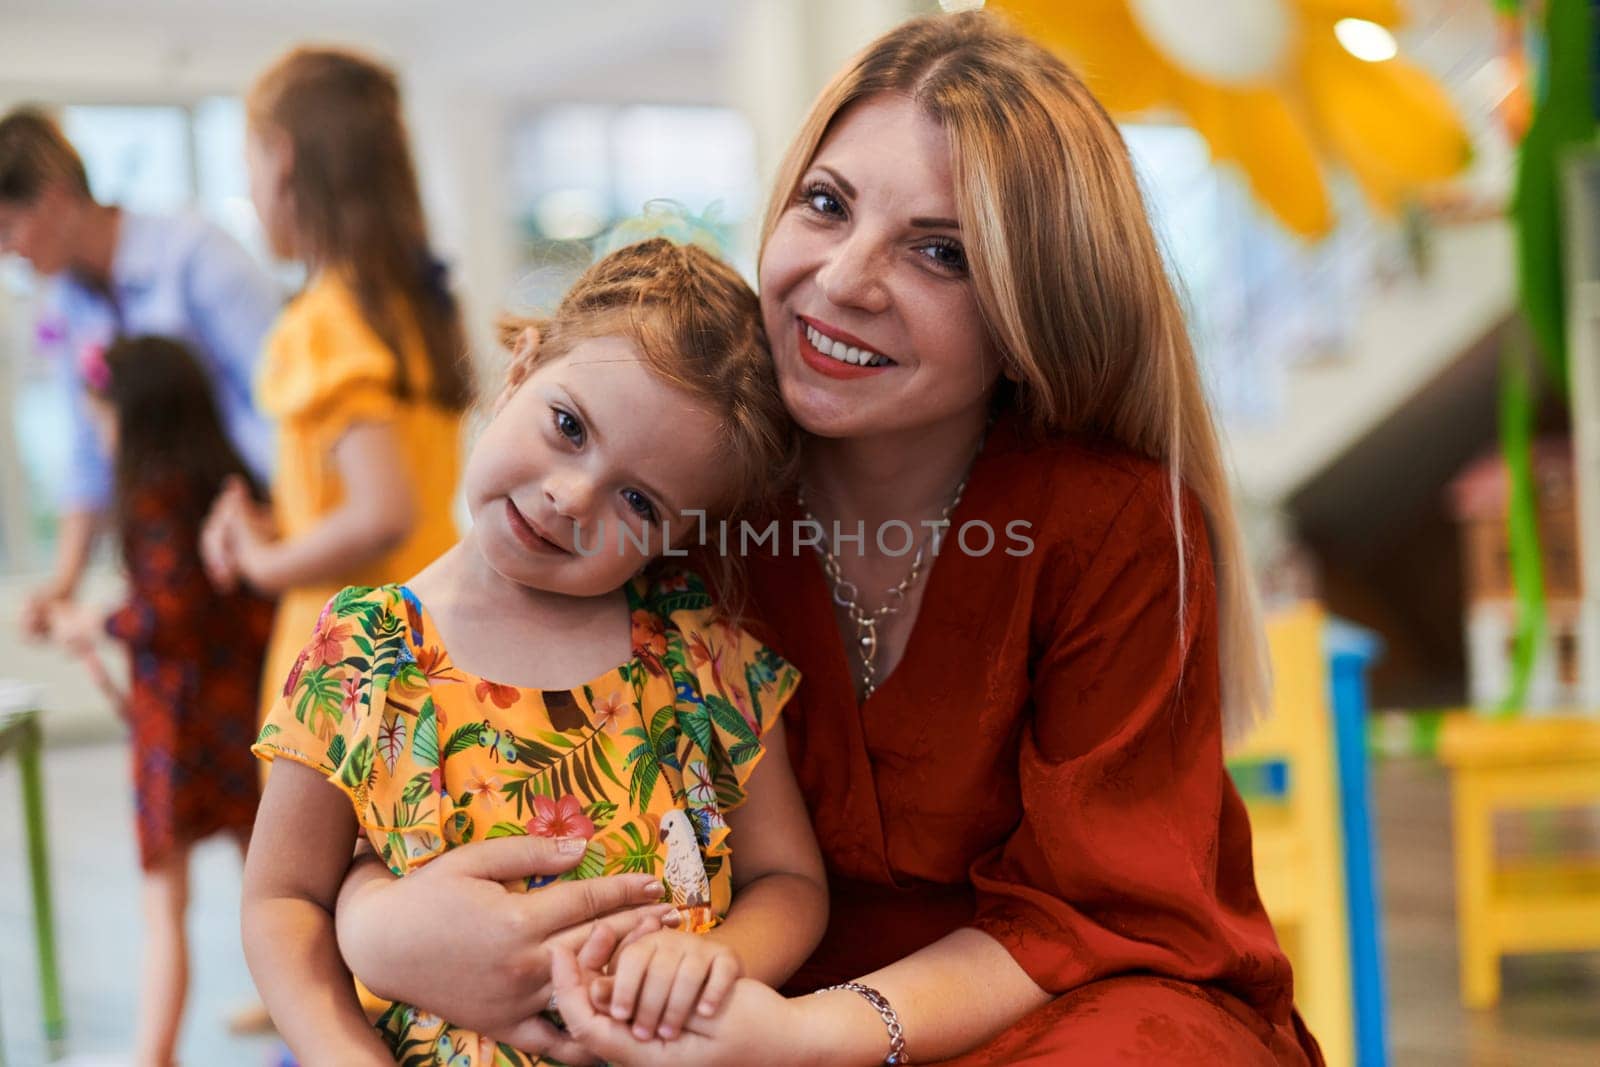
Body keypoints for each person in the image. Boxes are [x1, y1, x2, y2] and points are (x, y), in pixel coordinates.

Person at [333, 11, 1324, 1065]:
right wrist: (379, 925)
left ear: (1031, 310)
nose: (845, 278)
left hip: (1045, 1008)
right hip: (716, 1003)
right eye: (826, 203)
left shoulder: (1109, 522)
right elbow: (415, 765)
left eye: (940, 251)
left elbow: (1102, 911)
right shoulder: (672, 484)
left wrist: (812, 1034)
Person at [241, 238, 828, 1067]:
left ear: (682, 534)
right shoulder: (361, 649)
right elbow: (283, 899)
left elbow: (790, 882)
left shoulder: (699, 656)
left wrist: (717, 959)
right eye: (569, 425)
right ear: (520, 367)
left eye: (638, 500)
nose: (570, 494)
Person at [201, 46, 471, 723]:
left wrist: (264, 560)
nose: (251, 192)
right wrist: (280, 524)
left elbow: (381, 513)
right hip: (436, 631)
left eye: (249, 167)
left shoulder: (325, 318)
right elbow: (370, 496)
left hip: (351, 660)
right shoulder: (416, 307)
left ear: (282, 158)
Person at [47, 336, 273, 1067]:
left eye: (103, 419)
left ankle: (154, 1053)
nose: (99, 435)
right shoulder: (230, 481)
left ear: (135, 417)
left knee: (163, 904)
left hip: (177, 728)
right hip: (243, 710)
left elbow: (165, 611)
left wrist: (96, 621)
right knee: (271, 883)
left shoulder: (154, 495)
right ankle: (294, 1008)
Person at [0, 107, 277, 642]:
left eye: (9, 229)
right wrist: (65, 581)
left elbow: (274, 400)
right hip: (174, 549)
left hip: (253, 527)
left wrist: (272, 518)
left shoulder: (196, 255)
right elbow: (87, 450)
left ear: (57, 200)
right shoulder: (66, 307)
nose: (8, 253)